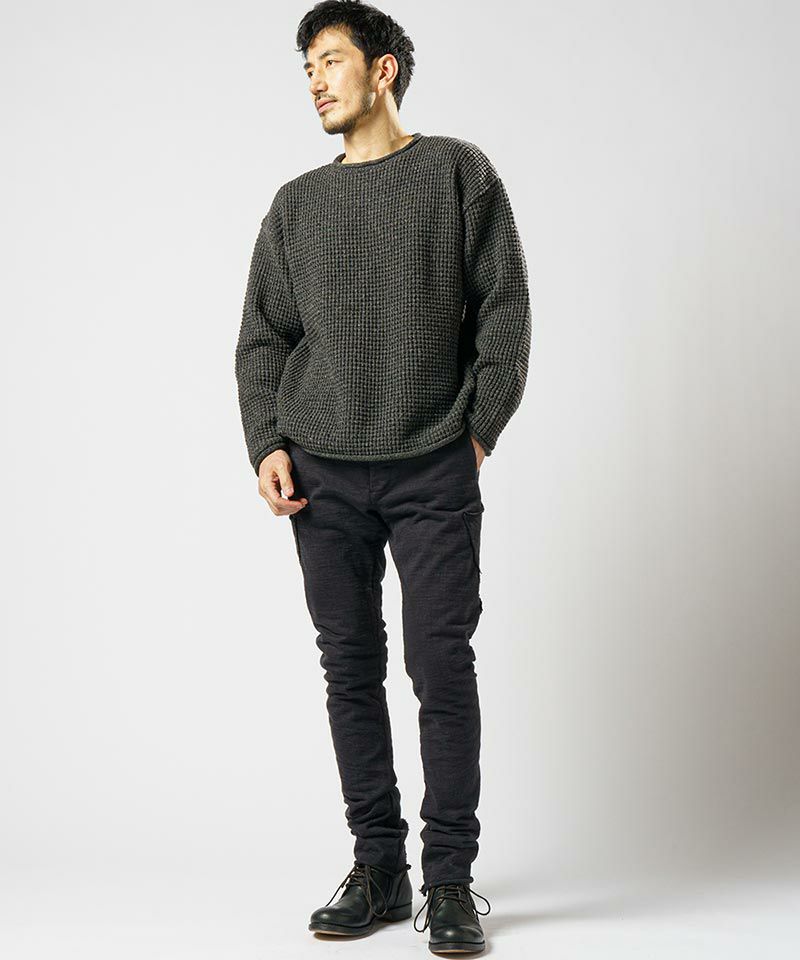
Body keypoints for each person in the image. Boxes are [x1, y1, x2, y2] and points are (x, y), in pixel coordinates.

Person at [235, 1, 531, 953]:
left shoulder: (456, 172)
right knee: (349, 669)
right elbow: (262, 338)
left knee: (441, 667)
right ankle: (379, 868)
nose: (315, 81)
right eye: (306, 68)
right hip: (322, 476)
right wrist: (266, 441)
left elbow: (505, 310)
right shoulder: (295, 205)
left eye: (330, 60)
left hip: (432, 466)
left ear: (384, 69)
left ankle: (448, 879)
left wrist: (477, 431)